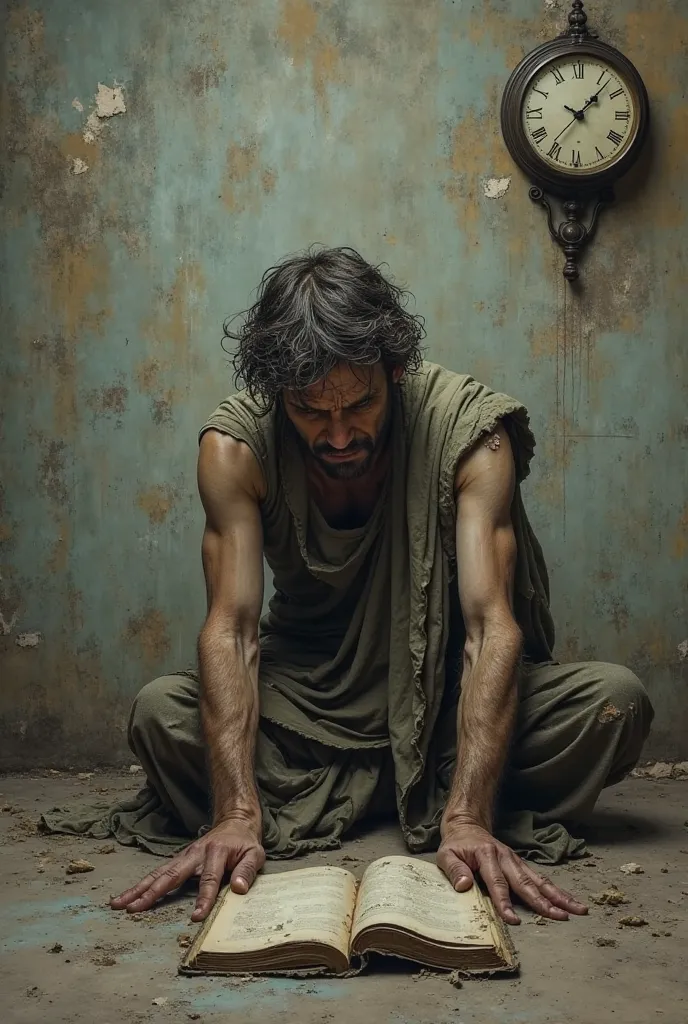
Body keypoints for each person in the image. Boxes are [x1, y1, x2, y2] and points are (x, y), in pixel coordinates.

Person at [44, 246, 653, 926]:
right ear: (278, 394)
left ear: (394, 371)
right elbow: (233, 630)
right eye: (311, 413)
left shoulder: (471, 436)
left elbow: (490, 628)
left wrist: (471, 817)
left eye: (360, 405)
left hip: (444, 694)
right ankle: (369, 794)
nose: (338, 435)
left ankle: (418, 793)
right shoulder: (235, 449)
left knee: (613, 705)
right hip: (310, 703)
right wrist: (236, 813)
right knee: (161, 714)